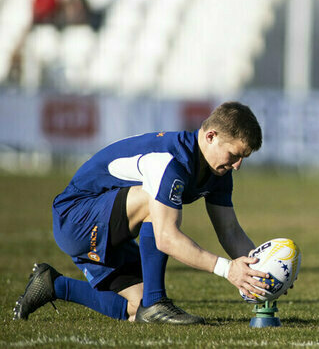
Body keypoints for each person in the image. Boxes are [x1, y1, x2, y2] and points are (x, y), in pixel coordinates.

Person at [13, 101, 270, 324]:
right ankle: (157, 303)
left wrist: (263, 274)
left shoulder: (219, 171)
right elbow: (166, 237)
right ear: (211, 136)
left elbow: (230, 230)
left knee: (136, 308)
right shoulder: (169, 160)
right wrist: (228, 270)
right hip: (76, 218)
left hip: (110, 228)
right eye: (235, 155)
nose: (237, 165)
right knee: (153, 199)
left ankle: (53, 285)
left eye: (243, 158)